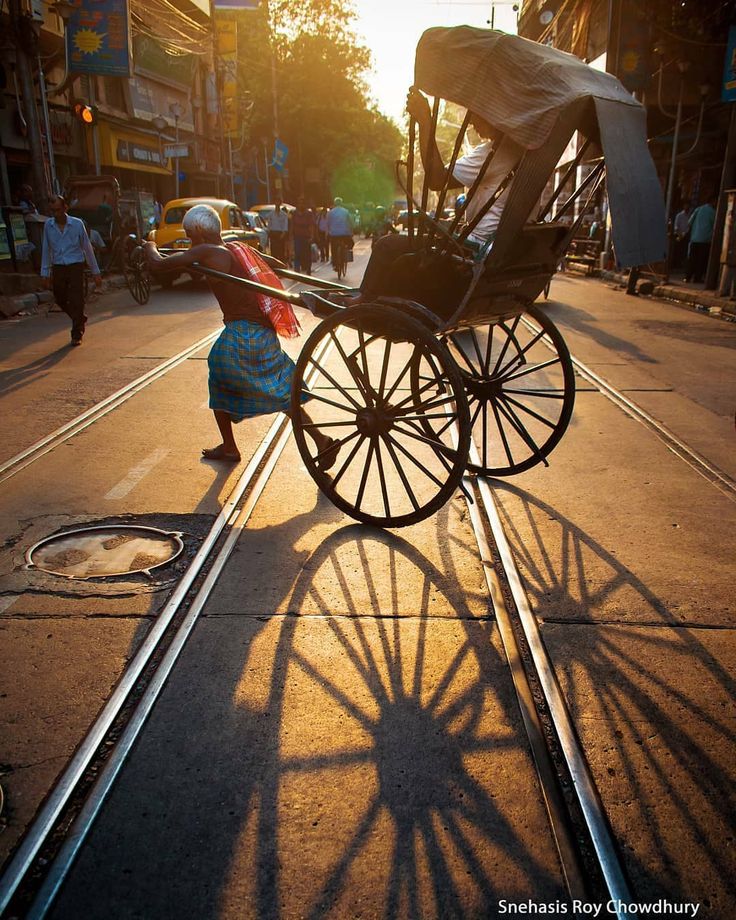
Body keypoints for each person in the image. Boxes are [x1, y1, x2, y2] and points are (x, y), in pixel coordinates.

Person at [143, 204, 339, 468]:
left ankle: (231, 446)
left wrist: (148, 246)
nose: (190, 242)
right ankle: (318, 439)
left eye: (190, 235)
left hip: (243, 333)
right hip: (263, 333)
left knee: (221, 376)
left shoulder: (207, 252)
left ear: (200, 232)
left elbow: (158, 265)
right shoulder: (240, 249)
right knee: (279, 393)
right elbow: (277, 265)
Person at [356, 87, 524, 302]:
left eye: (477, 115)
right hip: (501, 248)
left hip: (472, 251)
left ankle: (363, 300)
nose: (472, 123)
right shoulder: (526, 153)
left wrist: (426, 122)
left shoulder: (494, 153)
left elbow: (437, 179)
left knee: (386, 245)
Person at [41, 196, 102, 346]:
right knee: (59, 297)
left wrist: (96, 271)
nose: (56, 214)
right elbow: (46, 249)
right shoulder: (48, 225)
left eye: (58, 210)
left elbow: (87, 248)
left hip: (76, 265)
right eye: (53, 211)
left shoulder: (77, 224)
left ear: (65, 208)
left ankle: (77, 332)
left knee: (77, 298)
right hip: (59, 265)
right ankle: (79, 317)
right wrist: (45, 273)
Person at [685, 196, 717, 284]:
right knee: (701, 260)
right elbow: (716, 226)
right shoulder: (713, 212)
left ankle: (687, 277)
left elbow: (689, 222)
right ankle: (697, 278)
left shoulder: (698, 209)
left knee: (692, 259)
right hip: (705, 240)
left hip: (694, 239)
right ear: (713, 202)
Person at [326, 196, 353, 274]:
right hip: (345, 234)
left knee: (334, 249)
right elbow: (350, 222)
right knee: (350, 244)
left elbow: (327, 224)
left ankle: (335, 264)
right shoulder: (346, 211)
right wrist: (351, 231)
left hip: (334, 234)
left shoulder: (330, 212)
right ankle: (346, 256)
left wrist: (328, 233)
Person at [291, 197, 316, 275]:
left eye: (302, 203)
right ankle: (297, 271)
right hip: (297, 236)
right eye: (299, 203)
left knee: (307, 254)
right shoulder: (294, 213)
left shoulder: (309, 213)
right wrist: (291, 236)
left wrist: (312, 236)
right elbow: (292, 225)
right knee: (297, 253)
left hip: (306, 237)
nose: (301, 205)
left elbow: (311, 225)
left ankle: (308, 269)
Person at [267, 198, 290, 263]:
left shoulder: (284, 215)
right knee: (274, 252)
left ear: (280, 203)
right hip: (273, 234)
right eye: (276, 202)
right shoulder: (271, 214)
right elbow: (269, 225)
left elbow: (285, 226)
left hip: (280, 234)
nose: (277, 204)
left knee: (281, 252)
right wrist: (269, 234)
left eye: (278, 202)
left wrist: (283, 234)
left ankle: (281, 265)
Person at [673, 204, 691, 270]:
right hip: (679, 235)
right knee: (678, 250)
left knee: (684, 250)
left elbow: (689, 226)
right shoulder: (679, 215)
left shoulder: (689, 215)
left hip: (686, 235)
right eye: (686, 206)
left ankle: (681, 264)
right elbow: (676, 226)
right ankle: (676, 264)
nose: (687, 207)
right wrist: (680, 234)